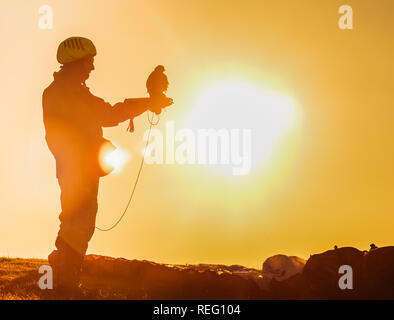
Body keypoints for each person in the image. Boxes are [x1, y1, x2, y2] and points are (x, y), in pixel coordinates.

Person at [43, 36, 173, 294]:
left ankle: (62, 280)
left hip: (76, 170)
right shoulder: (68, 94)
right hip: (77, 171)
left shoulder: (62, 91)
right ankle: (66, 286)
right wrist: (149, 103)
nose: (92, 67)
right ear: (76, 63)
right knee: (79, 224)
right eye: (89, 62)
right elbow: (109, 114)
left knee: (73, 222)